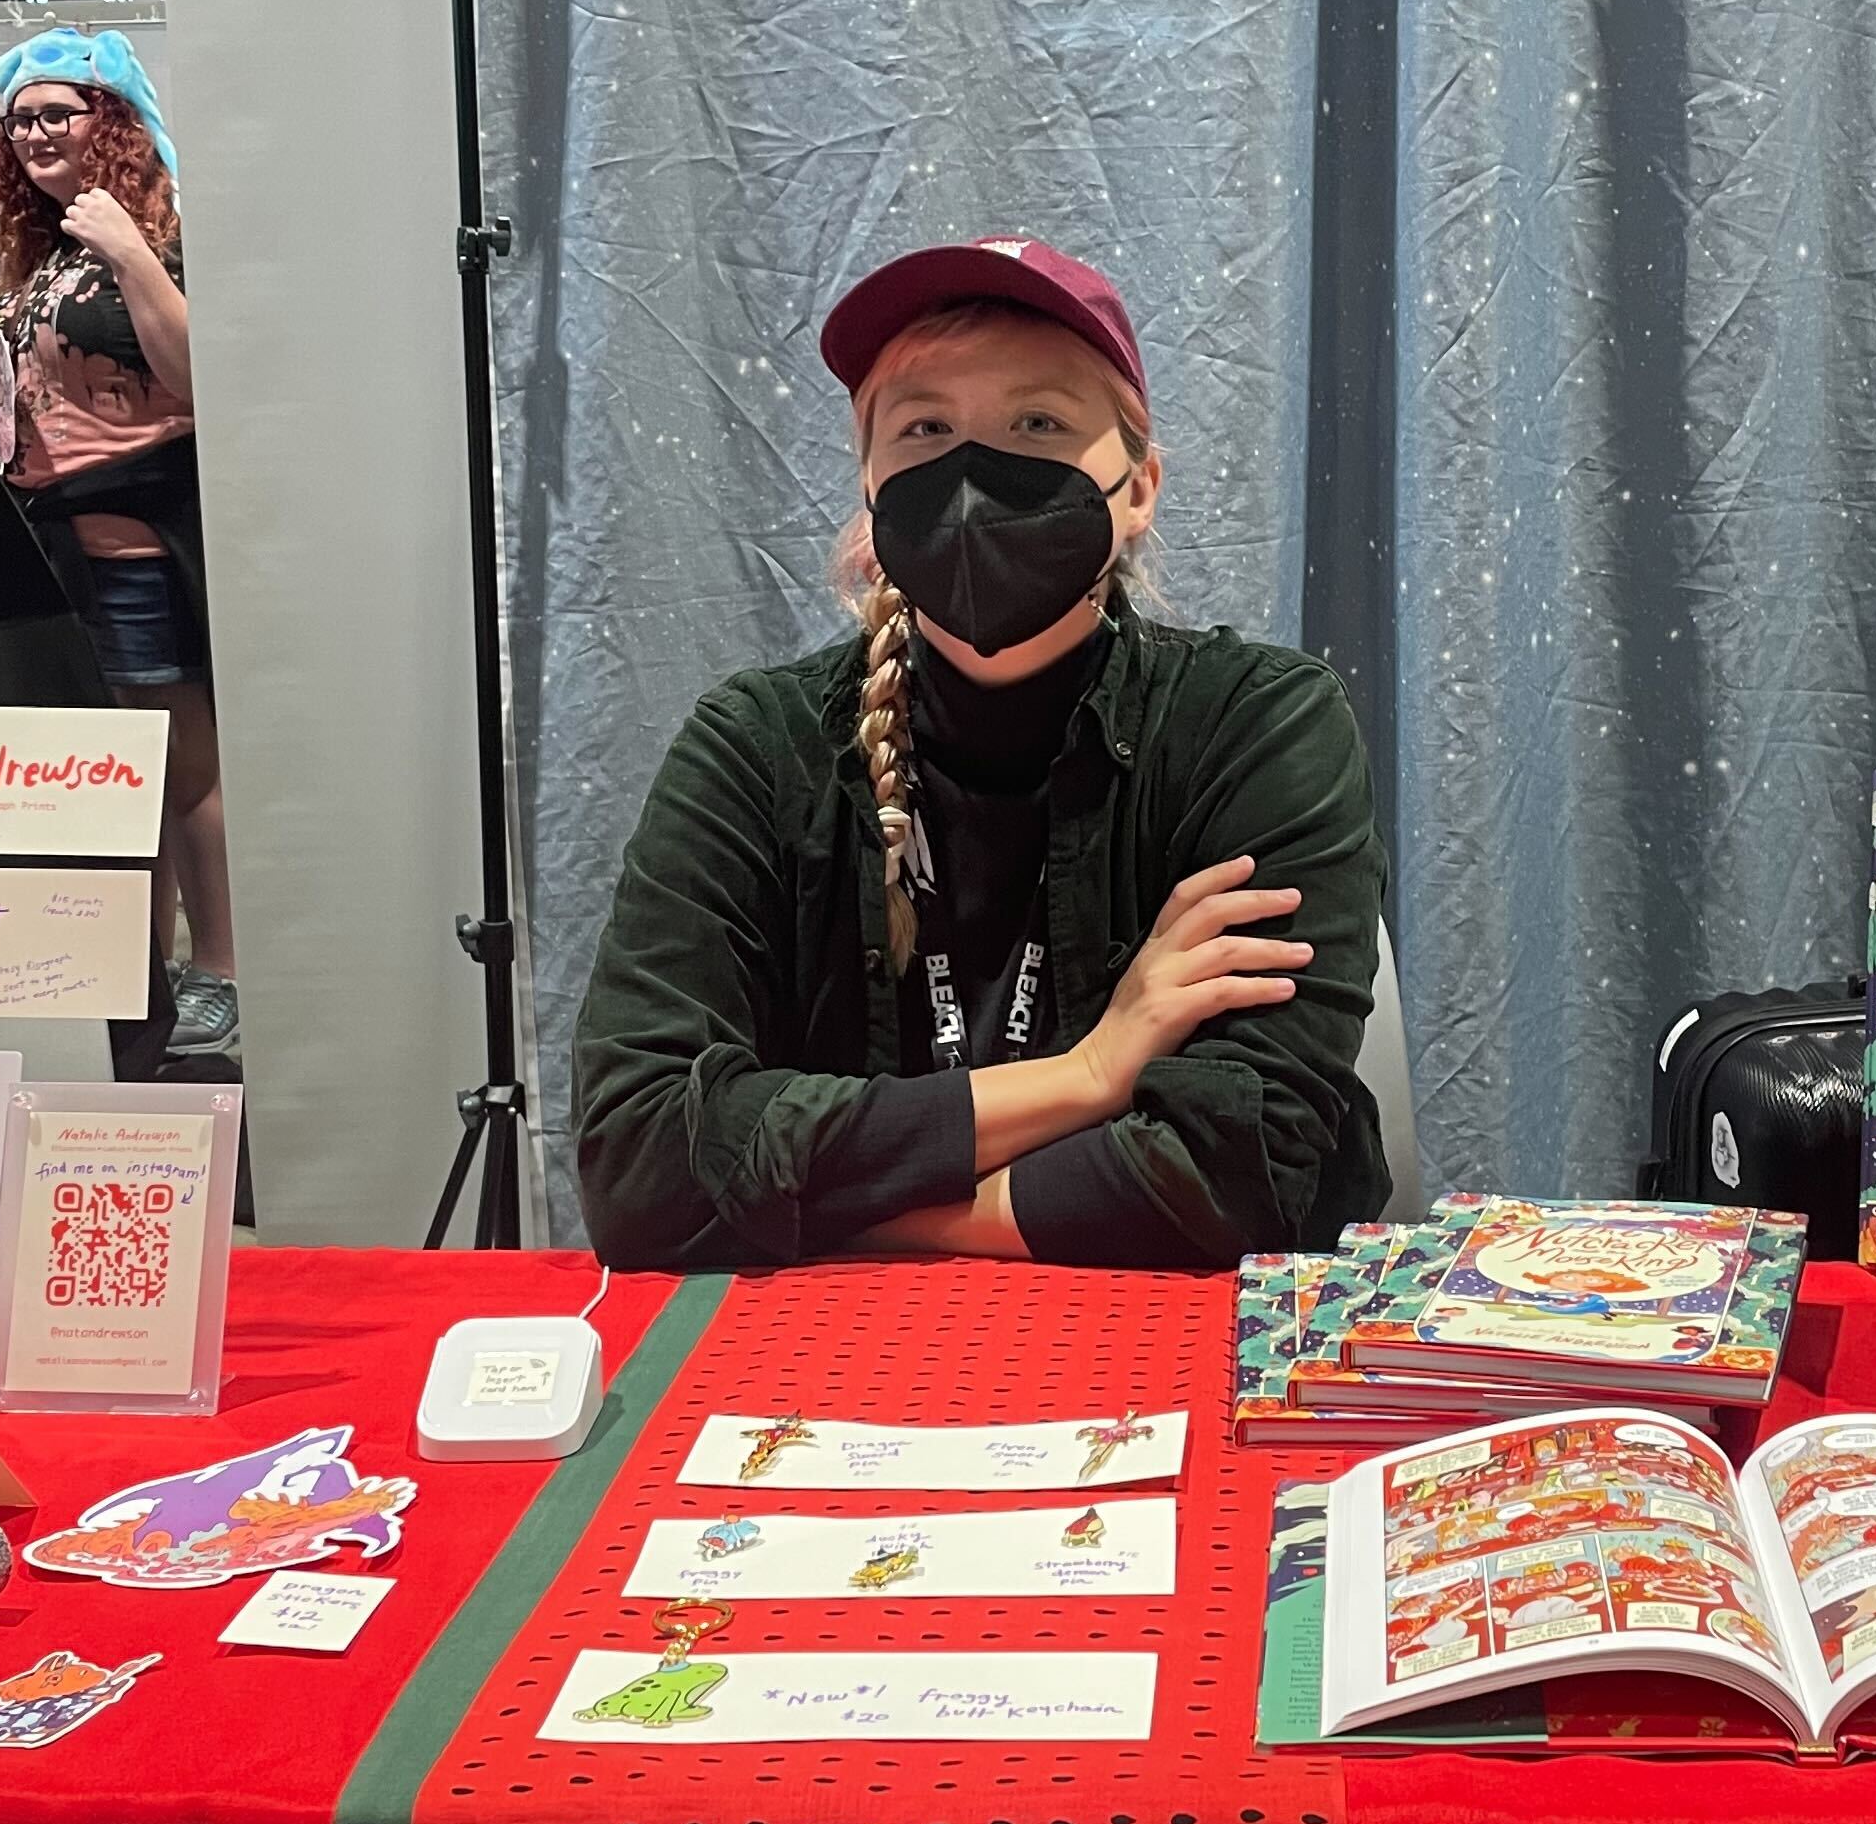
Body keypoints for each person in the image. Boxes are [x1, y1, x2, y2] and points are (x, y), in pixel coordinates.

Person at [572, 240, 1388, 1271]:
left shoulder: (1256, 728)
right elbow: (640, 1166)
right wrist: (1088, 1076)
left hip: (1183, 1359)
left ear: (1140, 487)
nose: (971, 474)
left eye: (1036, 424)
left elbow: (1242, 1175)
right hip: (826, 1370)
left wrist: (827, 1203)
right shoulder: (755, 751)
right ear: (871, 496)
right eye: (925, 429)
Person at [0, 29, 235, 1061]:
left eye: (59, 112)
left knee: (183, 764)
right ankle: (149, 967)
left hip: (138, 534)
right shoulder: (27, 247)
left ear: (109, 118)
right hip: (49, 540)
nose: (37, 134)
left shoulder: (161, 227)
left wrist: (127, 247)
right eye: (21, 118)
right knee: (118, 774)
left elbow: (195, 379)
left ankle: (219, 968)